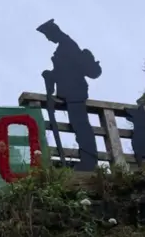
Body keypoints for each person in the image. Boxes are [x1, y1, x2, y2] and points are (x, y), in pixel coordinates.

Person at [37, 19, 101, 171]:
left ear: (54, 32)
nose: (48, 39)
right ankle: (87, 160)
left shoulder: (67, 46)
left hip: (75, 92)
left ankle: (89, 161)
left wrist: (52, 76)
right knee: (79, 125)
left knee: (81, 126)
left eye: (48, 35)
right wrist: (50, 75)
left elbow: (68, 71)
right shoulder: (64, 46)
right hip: (71, 92)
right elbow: (63, 71)